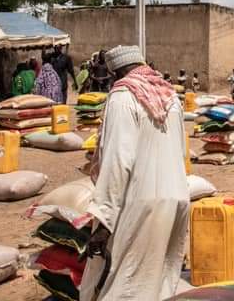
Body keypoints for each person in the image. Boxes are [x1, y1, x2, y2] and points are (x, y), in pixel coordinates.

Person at [80, 45, 188, 300]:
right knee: (159, 281)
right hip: (177, 199)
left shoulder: (123, 97)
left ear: (114, 73)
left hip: (140, 204)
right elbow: (182, 151)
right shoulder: (171, 98)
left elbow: (117, 161)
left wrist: (104, 220)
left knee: (123, 283)